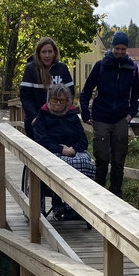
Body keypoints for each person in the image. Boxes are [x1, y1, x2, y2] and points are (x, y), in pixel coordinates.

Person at [80, 31, 139, 197]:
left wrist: (131, 114)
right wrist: (85, 113)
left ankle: (115, 196)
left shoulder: (132, 68)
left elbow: (135, 95)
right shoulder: (101, 66)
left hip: (121, 118)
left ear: (126, 49)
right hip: (101, 117)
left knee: (119, 160)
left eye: (123, 49)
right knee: (102, 158)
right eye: (117, 48)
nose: (120, 52)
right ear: (112, 47)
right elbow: (86, 91)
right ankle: (98, 196)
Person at [33, 84, 95, 218]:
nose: (58, 104)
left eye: (62, 100)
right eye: (55, 100)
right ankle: (65, 204)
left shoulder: (72, 116)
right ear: (49, 100)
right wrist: (61, 150)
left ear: (68, 101)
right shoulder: (42, 117)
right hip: (51, 153)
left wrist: (73, 149)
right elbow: (42, 140)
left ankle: (80, 205)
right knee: (63, 164)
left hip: (73, 151)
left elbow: (83, 140)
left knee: (85, 161)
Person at [19, 37, 74, 139]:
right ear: (39, 53)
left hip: (57, 122)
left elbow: (70, 95)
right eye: (44, 52)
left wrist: (65, 116)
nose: (47, 55)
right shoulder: (31, 68)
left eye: (50, 51)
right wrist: (35, 117)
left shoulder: (62, 68)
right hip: (36, 122)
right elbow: (25, 97)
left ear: (54, 53)